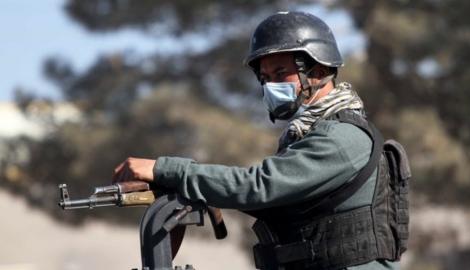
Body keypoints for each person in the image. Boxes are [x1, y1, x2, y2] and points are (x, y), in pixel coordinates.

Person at [112, 11, 410, 270]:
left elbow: (261, 186)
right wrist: (189, 190)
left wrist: (171, 171)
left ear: (318, 71)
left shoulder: (341, 137)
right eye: (265, 77)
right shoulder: (307, 133)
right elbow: (272, 198)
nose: (270, 85)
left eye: (281, 73)